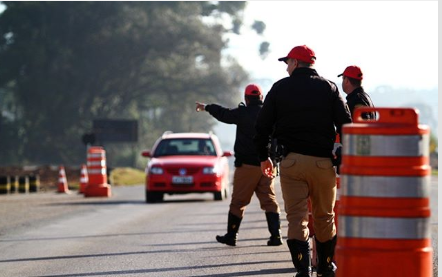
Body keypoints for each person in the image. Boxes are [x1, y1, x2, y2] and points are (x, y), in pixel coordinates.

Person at [254, 45, 352, 277]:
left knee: (297, 218)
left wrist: (263, 157)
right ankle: (326, 266)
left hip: (291, 163)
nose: (286, 67)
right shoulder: (329, 87)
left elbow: (262, 127)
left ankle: (303, 270)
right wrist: (343, 155)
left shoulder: (279, 88)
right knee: (324, 217)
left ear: (296, 63)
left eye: (287, 62)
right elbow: (346, 123)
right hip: (322, 163)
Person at [195, 84, 283, 247]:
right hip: (268, 166)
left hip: (247, 166)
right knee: (269, 201)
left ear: (246, 98)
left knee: (238, 202)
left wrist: (207, 107)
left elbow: (224, 114)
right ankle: (276, 236)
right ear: (261, 98)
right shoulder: (271, 114)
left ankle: (231, 235)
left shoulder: (242, 113)